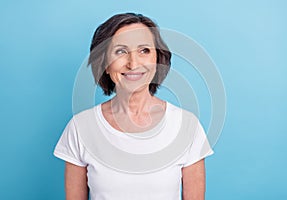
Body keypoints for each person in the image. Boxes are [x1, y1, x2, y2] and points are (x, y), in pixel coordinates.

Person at [54, 13, 213, 200]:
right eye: (120, 51)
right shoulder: (80, 128)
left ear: (157, 60)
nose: (133, 63)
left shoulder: (187, 125)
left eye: (144, 50)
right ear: (104, 63)